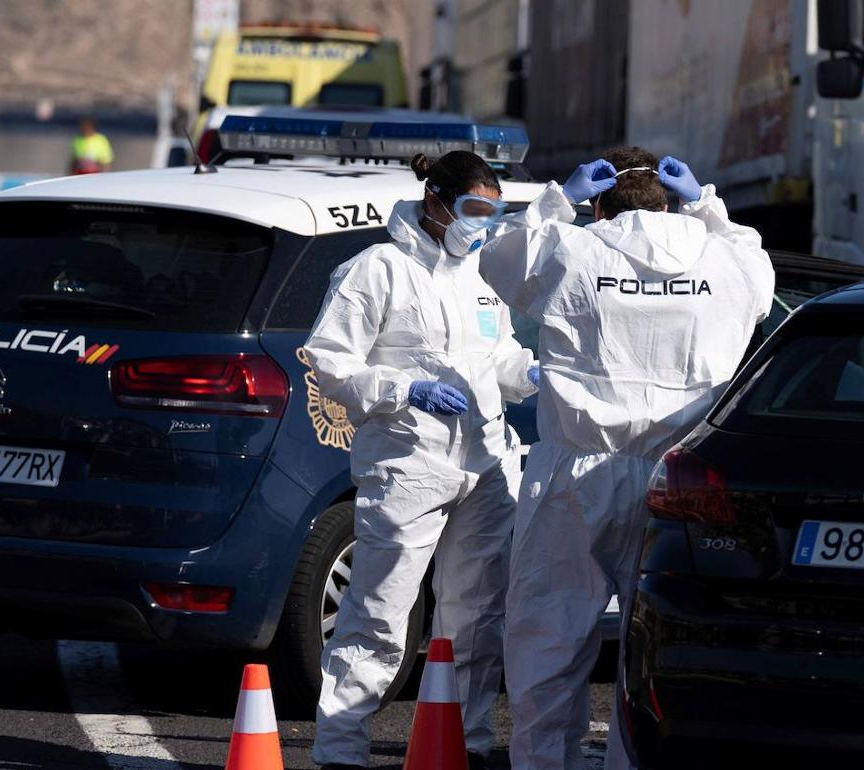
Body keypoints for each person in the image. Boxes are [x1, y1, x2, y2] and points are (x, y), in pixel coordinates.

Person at [479, 147, 775, 770]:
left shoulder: (575, 249)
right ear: (668, 200)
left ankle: (542, 765)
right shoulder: (723, 259)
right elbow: (760, 274)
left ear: (600, 203)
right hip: (678, 476)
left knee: (548, 634)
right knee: (655, 644)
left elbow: (499, 258)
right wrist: (709, 204)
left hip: (576, 469)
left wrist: (557, 197)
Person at [304, 150, 539, 770]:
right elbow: (331, 363)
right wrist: (403, 389)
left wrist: (532, 372)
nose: (481, 225)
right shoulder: (377, 269)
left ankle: (466, 743)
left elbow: (501, 358)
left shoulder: (484, 275)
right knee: (380, 608)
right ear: (435, 200)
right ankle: (339, 750)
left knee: (476, 611)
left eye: (494, 213)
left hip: (485, 460)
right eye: (472, 210)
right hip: (409, 460)